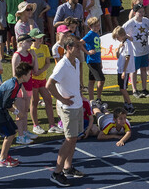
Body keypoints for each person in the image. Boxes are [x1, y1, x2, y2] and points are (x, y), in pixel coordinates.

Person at [46, 36, 86, 186]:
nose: (79, 48)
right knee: (69, 139)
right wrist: (62, 100)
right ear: (68, 48)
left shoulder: (75, 61)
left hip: (77, 105)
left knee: (74, 138)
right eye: (76, 46)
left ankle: (68, 167)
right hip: (68, 108)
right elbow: (49, 84)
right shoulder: (62, 65)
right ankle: (56, 173)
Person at [0, 62, 33, 169]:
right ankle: (2, 159)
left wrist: (16, 110)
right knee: (10, 134)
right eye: (29, 74)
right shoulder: (13, 85)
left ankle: (5, 156)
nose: (30, 76)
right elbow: (6, 104)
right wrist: (18, 112)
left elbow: (11, 100)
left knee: (12, 131)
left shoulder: (18, 83)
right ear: (23, 75)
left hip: (0, 110)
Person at [81, 17, 104, 104]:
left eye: (98, 25)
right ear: (90, 27)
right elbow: (80, 43)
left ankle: (91, 99)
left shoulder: (96, 34)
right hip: (92, 60)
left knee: (92, 80)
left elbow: (98, 49)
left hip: (97, 60)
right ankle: (98, 98)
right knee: (101, 80)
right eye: (95, 26)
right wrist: (87, 52)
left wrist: (100, 61)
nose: (98, 27)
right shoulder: (90, 34)